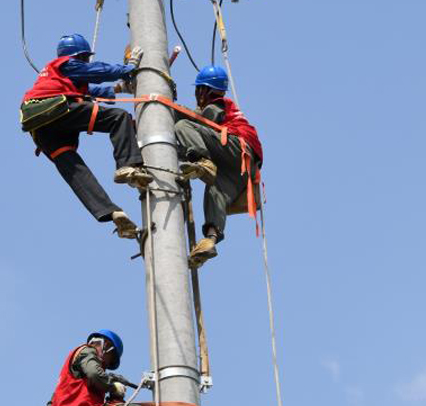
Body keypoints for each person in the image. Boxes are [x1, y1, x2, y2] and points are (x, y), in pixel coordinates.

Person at [20, 34, 152, 239]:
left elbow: (91, 90)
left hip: (43, 129)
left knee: (76, 172)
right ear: (79, 56)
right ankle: (128, 165)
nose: (85, 62)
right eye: (84, 58)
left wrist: (119, 88)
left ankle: (112, 212)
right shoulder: (66, 64)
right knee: (118, 118)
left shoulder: (57, 78)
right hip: (57, 110)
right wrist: (127, 68)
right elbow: (95, 72)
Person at [174, 65, 263, 268]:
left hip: (235, 148)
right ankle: (210, 240)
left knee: (182, 126)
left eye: (198, 90)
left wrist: (168, 109)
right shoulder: (223, 107)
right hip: (242, 168)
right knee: (215, 191)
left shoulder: (215, 106)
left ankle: (202, 162)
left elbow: (199, 124)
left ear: (204, 90)